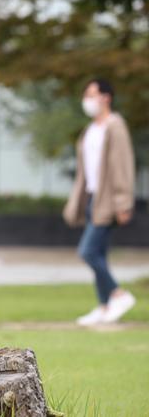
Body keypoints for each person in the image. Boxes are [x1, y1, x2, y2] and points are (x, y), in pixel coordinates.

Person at [63, 79, 136, 326]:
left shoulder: (115, 126)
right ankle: (105, 307)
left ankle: (118, 294)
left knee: (88, 251)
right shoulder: (90, 130)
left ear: (106, 97)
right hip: (93, 197)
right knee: (100, 254)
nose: (87, 100)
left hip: (108, 200)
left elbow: (123, 166)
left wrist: (123, 202)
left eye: (91, 95)